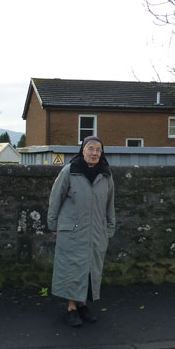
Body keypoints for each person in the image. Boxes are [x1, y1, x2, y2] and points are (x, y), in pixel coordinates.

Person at [47, 136, 116, 327]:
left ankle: (83, 305)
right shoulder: (70, 171)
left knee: (90, 269)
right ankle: (71, 308)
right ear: (83, 150)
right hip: (73, 230)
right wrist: (52, 225)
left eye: (98, 150)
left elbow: (110, 204)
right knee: (72, 269)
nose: (94, 153)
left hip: (96, 231)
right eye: (91, 149)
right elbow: (56, 199)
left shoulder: (106, 175)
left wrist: (110, 227)